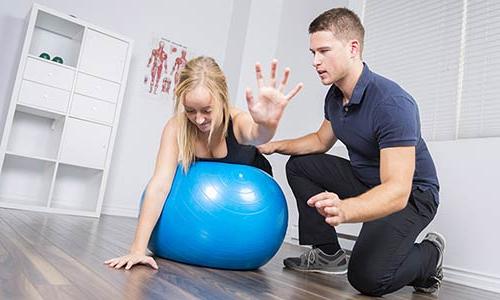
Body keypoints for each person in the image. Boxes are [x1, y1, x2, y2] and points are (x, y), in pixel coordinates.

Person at [258, 7, 444, 297]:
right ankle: (328, 253)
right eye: (313, 53)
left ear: (352, 48)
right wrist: (275, 145)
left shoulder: (391, 103)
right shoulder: (335, 96)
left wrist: (345, 209)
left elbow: (397, 190)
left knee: (368, 279)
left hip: (412, 195)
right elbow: (321, 140)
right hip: (368, 181)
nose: (316, 61)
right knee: (300, 165)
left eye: (324, 51)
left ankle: (431, 255)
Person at [105, 56, 303, 270]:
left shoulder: (236, 120)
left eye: (207, 110)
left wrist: (266, 123)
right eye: (190, 110)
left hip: (245, 218)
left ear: (221, 96)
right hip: (199, 220)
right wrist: (137, 250)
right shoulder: (176, 127)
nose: (198, 119)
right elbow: (160, 185)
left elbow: (256, 134)